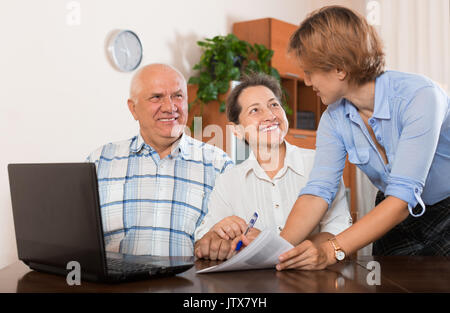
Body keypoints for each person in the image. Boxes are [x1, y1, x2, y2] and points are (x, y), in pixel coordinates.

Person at [238, 6, 449, 270]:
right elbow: (318, 192)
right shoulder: (333, 118)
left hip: (443, 209)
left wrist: (331, 250)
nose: (305, 80)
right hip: (390, 210)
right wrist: (276, 253)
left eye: (310, 71)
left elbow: (403, 198)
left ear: (339, 68)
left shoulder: (420, 96)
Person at [193, 72, 352, 260]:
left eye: (274, 105)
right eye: (255, 110)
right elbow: (204, 242)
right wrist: (217, 237)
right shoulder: (228, 181)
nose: (270, 115)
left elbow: (339, 233)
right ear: (236, 130)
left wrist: (272, 246)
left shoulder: (321, 164)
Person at [87, 63, 233, 256]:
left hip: (190, 284)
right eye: (156, 97)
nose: (170, 107)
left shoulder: (219, 165)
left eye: (177, 96)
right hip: (116, 285)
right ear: (133, 109)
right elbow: (76, 231)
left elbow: (237, 235)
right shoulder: (100, 161)